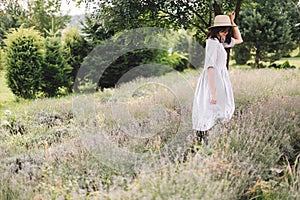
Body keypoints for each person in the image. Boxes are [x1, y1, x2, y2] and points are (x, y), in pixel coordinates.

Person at [192, 11, 243, 144]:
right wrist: (213, 93)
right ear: (216, 30)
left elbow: (239, 40)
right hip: (213, 79)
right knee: (210, 108)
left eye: (227, 31)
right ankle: (203, 141)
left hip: (221, 78)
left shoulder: (220, 42)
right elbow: (209, 67)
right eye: (223, 31)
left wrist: (233, 23)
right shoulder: (212, 43)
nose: (225, 33)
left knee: (222, 109)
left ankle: (213, 140)